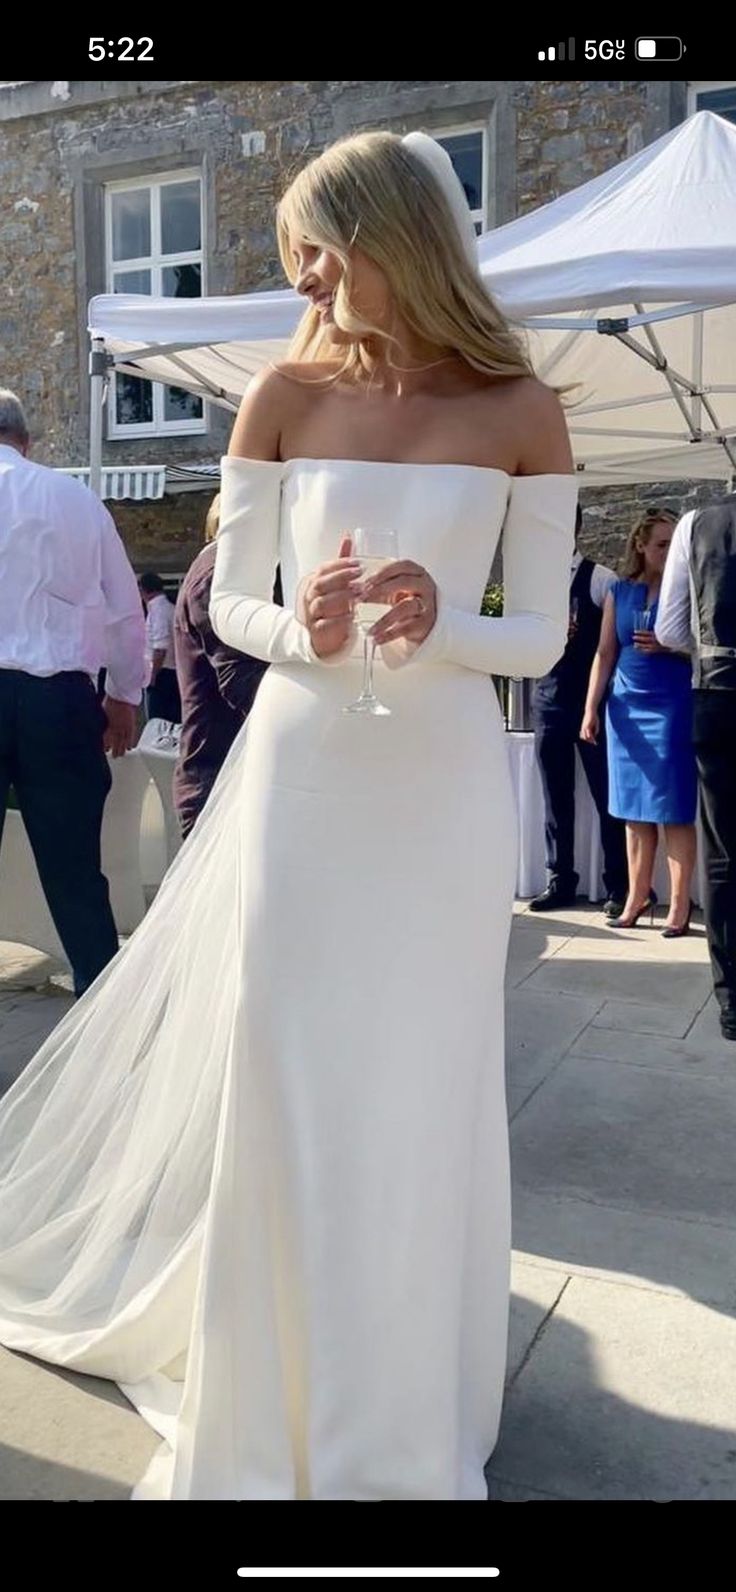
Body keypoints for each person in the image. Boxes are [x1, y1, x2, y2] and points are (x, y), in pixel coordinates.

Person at [0, 132, 576, 1501]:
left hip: (435, 795)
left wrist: (458, 621)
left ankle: (404, 1410)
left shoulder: (521, 409)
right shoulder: (282, 394)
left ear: (401, 239)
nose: (304, 276)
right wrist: (300, 625)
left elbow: (544, 636)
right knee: (293, 1081)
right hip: (305, 785)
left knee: (422, 1088)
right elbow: (231, 604)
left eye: (322, 247)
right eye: (291, 254)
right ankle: (272, 1398)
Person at [0, 390, 146, 997]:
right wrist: (124, 694)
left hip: (47, 690)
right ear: (26, 441)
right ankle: (97, 1013)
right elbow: (123, 610)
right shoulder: (75, 499)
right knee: (75, 873)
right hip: (57, 700)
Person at [581, 509, 697, 935]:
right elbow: (605, 653)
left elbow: (703, 650)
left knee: (675, 810)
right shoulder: (619, 590)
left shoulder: (688, 589)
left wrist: (671, 648)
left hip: (672, 705)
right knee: (633, 812)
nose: (668, 552)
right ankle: (635, 898)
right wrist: (591, 708)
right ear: (641, 546)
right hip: (625, 708)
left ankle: (679, 909)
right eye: (661, 544)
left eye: (673, 544)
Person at [656, 494, 736, 1039]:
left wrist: (709, 651)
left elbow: (669, 629)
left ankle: (732, 1000)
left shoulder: (697, 523)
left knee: (725, 853)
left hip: (720, 695)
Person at [530, 503, 628, 916]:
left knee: (608, 796)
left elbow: (612, 646)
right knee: (555, 797)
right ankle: (560, 879)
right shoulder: (532, 582)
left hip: (592, 705)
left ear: (571, 529)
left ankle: (619, 885)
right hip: (546, 701)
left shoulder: (600, 579)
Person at [173, 493, 270, 838]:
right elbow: (243, 682)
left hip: (225, 777)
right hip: (220, 783)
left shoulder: (223, 573)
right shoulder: (217, 577)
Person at [139, 571, 182, 724]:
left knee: (156, 724)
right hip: (173, 672)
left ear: (143, 591)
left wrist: (152, 677)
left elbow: (160, 648)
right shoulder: (171, 608)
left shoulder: (158, 611)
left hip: (161, 674)